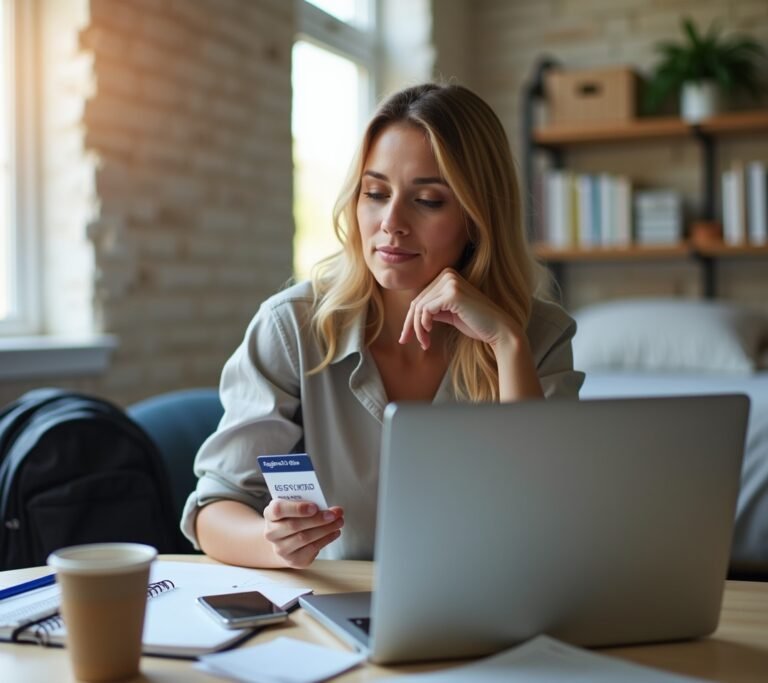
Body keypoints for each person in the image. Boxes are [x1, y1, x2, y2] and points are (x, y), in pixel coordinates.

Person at [181, 83, 584, 569]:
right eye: (375, 193)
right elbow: (213, 508)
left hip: (486, 604)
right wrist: (276, 542)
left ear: (476, 219)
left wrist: (506, 343)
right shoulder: (293, 327)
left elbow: (550, 516)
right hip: (337, 610)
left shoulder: (536, 334)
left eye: (428, 200)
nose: (391, 222)